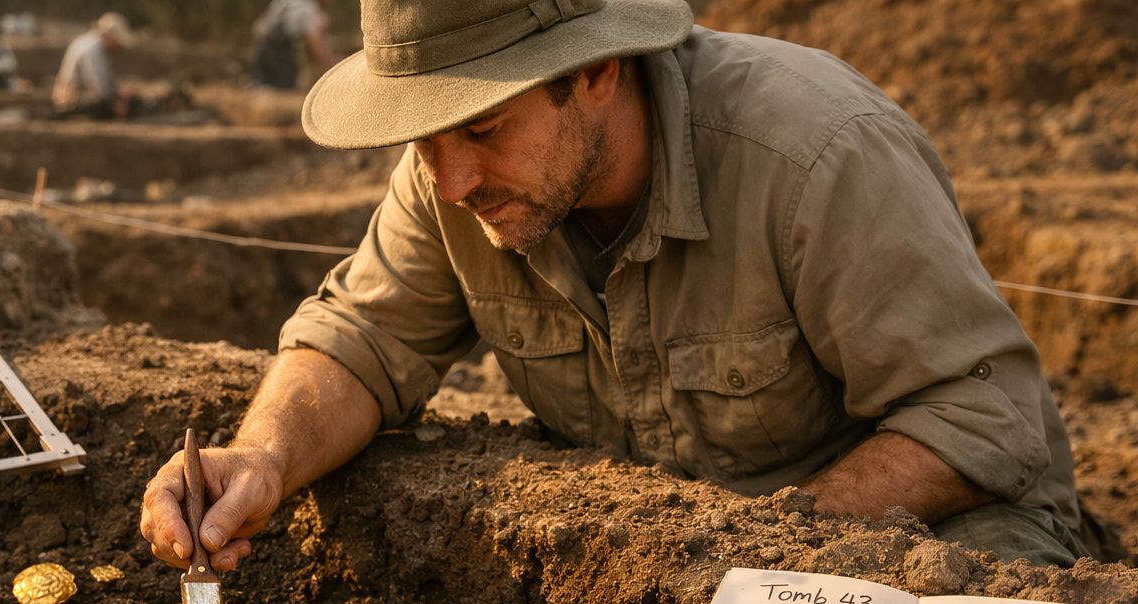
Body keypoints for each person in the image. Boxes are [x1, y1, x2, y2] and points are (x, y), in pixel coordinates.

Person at [142, 0, 1089, 572]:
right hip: (702, 570)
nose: (452, 180)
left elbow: (980, 421)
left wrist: (774, 556)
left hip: (929, 536)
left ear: (594, 71)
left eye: (481, 129)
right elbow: (362, 339)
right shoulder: (450, 179)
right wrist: (264, 456)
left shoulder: (814, 157)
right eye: (421, 140)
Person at [52, 12, 135, 119]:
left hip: (78, 97)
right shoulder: (92, 48)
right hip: (73, 101)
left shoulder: (93, 44)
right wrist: (116, 102)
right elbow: (96, 85)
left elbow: (105, 82)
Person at [250, 0, 336, 90]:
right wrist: (329, 62)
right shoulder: (308, 8)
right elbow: (315, 42)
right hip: (277, 44)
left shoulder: (296, 2)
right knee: (285, 83)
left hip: (261, 39)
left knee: (263, 81)